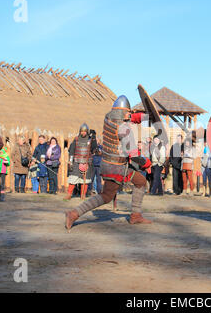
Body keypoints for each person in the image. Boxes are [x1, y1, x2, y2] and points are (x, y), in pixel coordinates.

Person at [65, 95, 153, 231]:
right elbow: (134, 155)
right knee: (114, 193)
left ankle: (135, 215)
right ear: (124, 113)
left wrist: (146, 117)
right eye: (128, 112)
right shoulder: (124, 129)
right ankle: (74, 213)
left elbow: (131, 118)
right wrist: (146, 163)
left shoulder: (108, 119)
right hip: (117, 168)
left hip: (108, 164)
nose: (130, 115)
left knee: (115, 192)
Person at [64, 124, 97, 200]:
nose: (83, 133)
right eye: (82, 131)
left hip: (87, 162)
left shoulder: (90, 140)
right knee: (73, 179)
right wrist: (71, 161)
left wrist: (94, 139)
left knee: (84, 181)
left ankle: (83, 195)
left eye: (85, 131)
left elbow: (93, 150)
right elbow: (71, 151)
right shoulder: (76, 139)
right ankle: (69, 194)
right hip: (76, 161)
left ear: (87, 132)